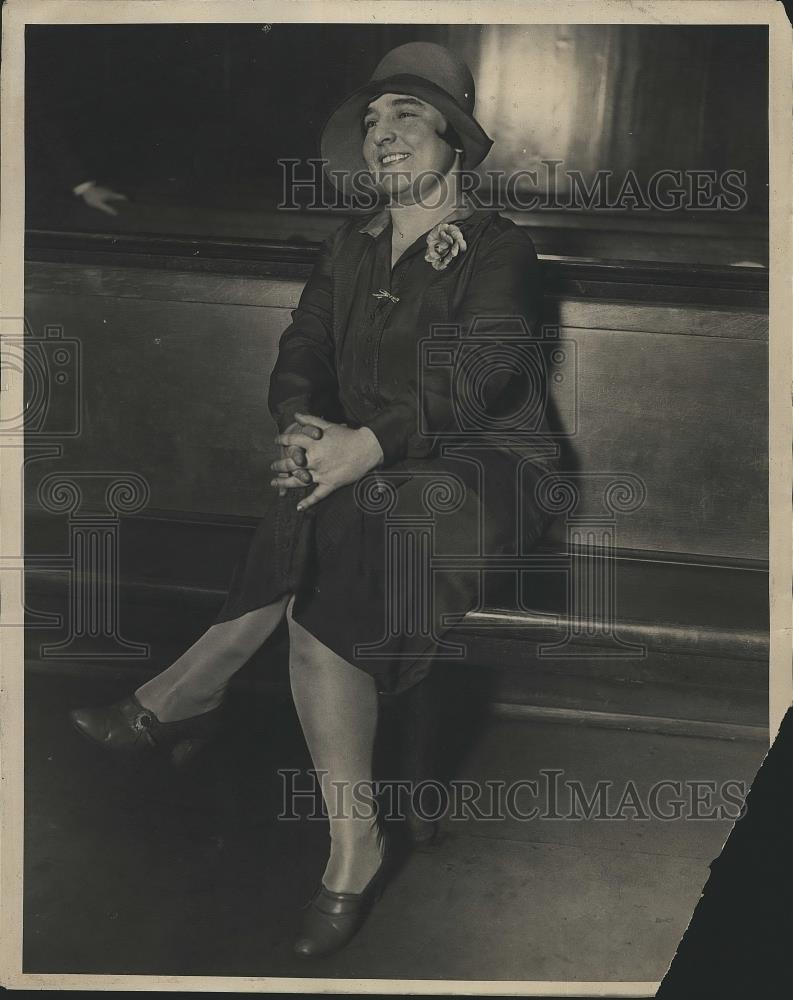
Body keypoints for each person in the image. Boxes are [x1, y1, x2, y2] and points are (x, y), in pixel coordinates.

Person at [69, 41, 559, 959]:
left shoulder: (499, 247)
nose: (383, 135)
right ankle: (350, 847)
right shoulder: (353, 242)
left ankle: (185, 700)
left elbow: (491, 373)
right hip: (370, 464)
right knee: (324, 512)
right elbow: (302, 342)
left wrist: (363, 445)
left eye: (406, 117)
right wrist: (300, 425)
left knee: (339, 516)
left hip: (485, 465)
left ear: (453, 138)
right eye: (372, 121)